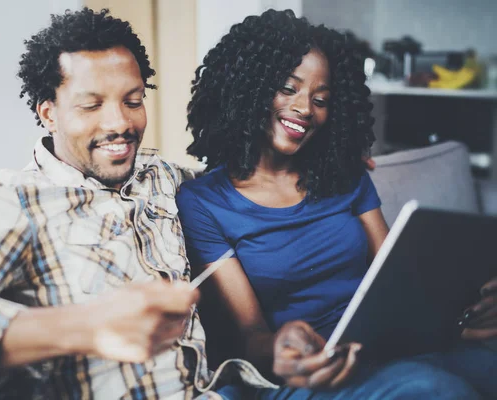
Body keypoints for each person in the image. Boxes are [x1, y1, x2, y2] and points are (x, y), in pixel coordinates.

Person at [0, 8, 274, 399]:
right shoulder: (9, 199)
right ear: (49, 114)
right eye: (91, 106)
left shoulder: (163, 177)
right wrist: (86, 327)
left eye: (133, 100)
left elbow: (253, 186)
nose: (119, 124)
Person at [176, 9, 497, 400]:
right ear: (247, 87)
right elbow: (251, 336)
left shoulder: (345, 177)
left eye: (321, 98)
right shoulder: (204, 202)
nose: (305, 108)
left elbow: (397, 281)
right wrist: (283, 350)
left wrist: (465, 311)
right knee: (436, 389)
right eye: (288, 88)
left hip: (387, 350)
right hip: (308, 376)